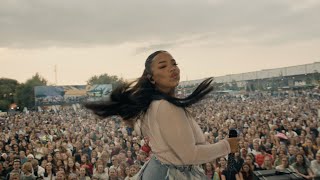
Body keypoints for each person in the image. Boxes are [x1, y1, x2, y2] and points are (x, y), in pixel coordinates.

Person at [85, 50, 239, 179]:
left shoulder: (151, 105)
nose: (172, 69)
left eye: (174, 64)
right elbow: (188, 155)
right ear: (151, 78)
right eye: (163, 66)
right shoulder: (166, 107)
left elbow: (139, 127)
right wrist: (226, 146)